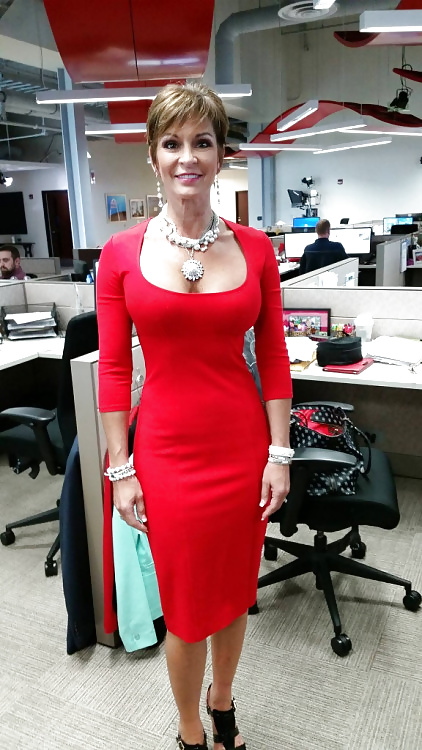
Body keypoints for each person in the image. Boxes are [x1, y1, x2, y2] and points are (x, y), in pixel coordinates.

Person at [97, 82, 293, 750]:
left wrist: (279, 453)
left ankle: (223, 701)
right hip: (167, 454)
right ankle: (189, 730)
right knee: (184, 608)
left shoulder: (256, 248)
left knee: (235, 592)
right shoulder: (121, 254)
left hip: (242, 449)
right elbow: (114, 370)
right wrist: (121, 468)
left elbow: (273, 356)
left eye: (202, 142)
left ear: (220, 154)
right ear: (154, 156)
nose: (188, 157)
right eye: (172, 143)